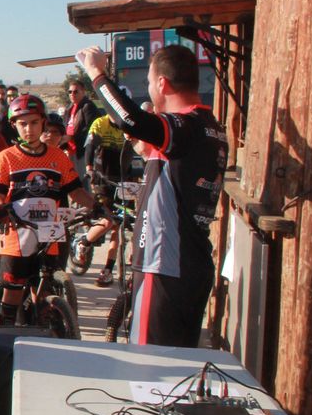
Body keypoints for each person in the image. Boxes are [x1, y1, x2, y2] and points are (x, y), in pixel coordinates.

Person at [76, 44, 227, 347]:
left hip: (163, 266)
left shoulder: (184, 124)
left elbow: (127, 118)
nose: (149, 89)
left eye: (148, 81)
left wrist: (96, 73)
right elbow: (175, 171)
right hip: (189, 263)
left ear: (162, 83)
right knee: (176, 365)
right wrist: (145, 150)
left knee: (149, 370)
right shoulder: (209, 126)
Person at [0, 95, 93, 327]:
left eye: (34, 123)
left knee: (44, 291)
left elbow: (75, 192)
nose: (29, 129)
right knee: (13, 293)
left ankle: (42, 329)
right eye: (23, 124)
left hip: (49, 232)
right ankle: (6, 336)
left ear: (43, 123)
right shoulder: (6, 158)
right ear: (14, 125)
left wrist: (97, 207)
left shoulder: (58, 157)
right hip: (18, 233)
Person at [80, 99, 137, 287]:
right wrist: (89, 168)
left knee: (120, 224)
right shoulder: (100, 123)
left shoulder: (129, 127)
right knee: (109, 220)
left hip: (122, 179)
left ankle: (107, 270)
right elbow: (89, 147)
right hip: (102, 177)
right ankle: (84, 242)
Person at [64, 79, 101, 180]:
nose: (72, 94)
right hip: (70, 150)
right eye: (70, 92)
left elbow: (91, 129)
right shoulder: (69, 108)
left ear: (83, 92)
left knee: (83, 181)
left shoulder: (88, 107)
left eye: (76, 91)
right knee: (71, 181)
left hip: (82, 151)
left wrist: (72, 137)